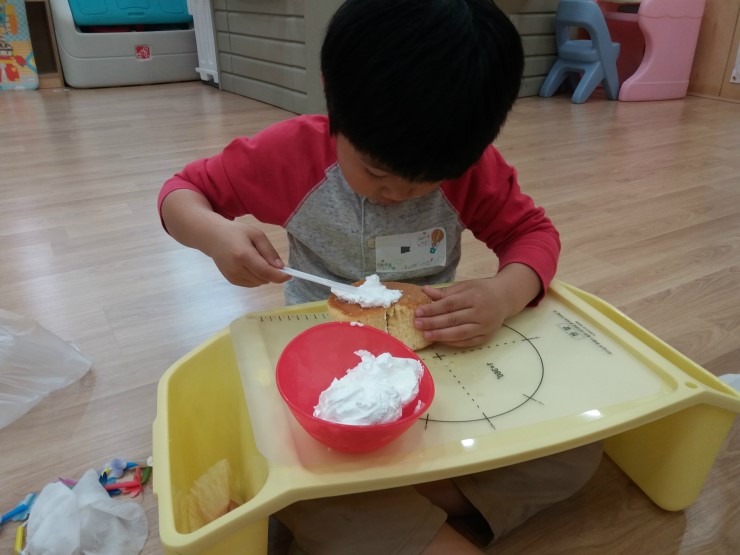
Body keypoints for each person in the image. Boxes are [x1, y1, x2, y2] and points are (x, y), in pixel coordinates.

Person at [158, 1, 602, 553]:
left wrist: (504, 292)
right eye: (376, 171)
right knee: (295, 473)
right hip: (322, 376)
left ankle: (401, 493)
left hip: (436, 364)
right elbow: (180, 193)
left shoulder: (471, 167)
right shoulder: (290, 155)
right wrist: (214, 235)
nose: (397, 193)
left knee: (578, 454)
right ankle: (389, 498)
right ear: (333, 100)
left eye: (427, 181)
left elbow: (533, 234)